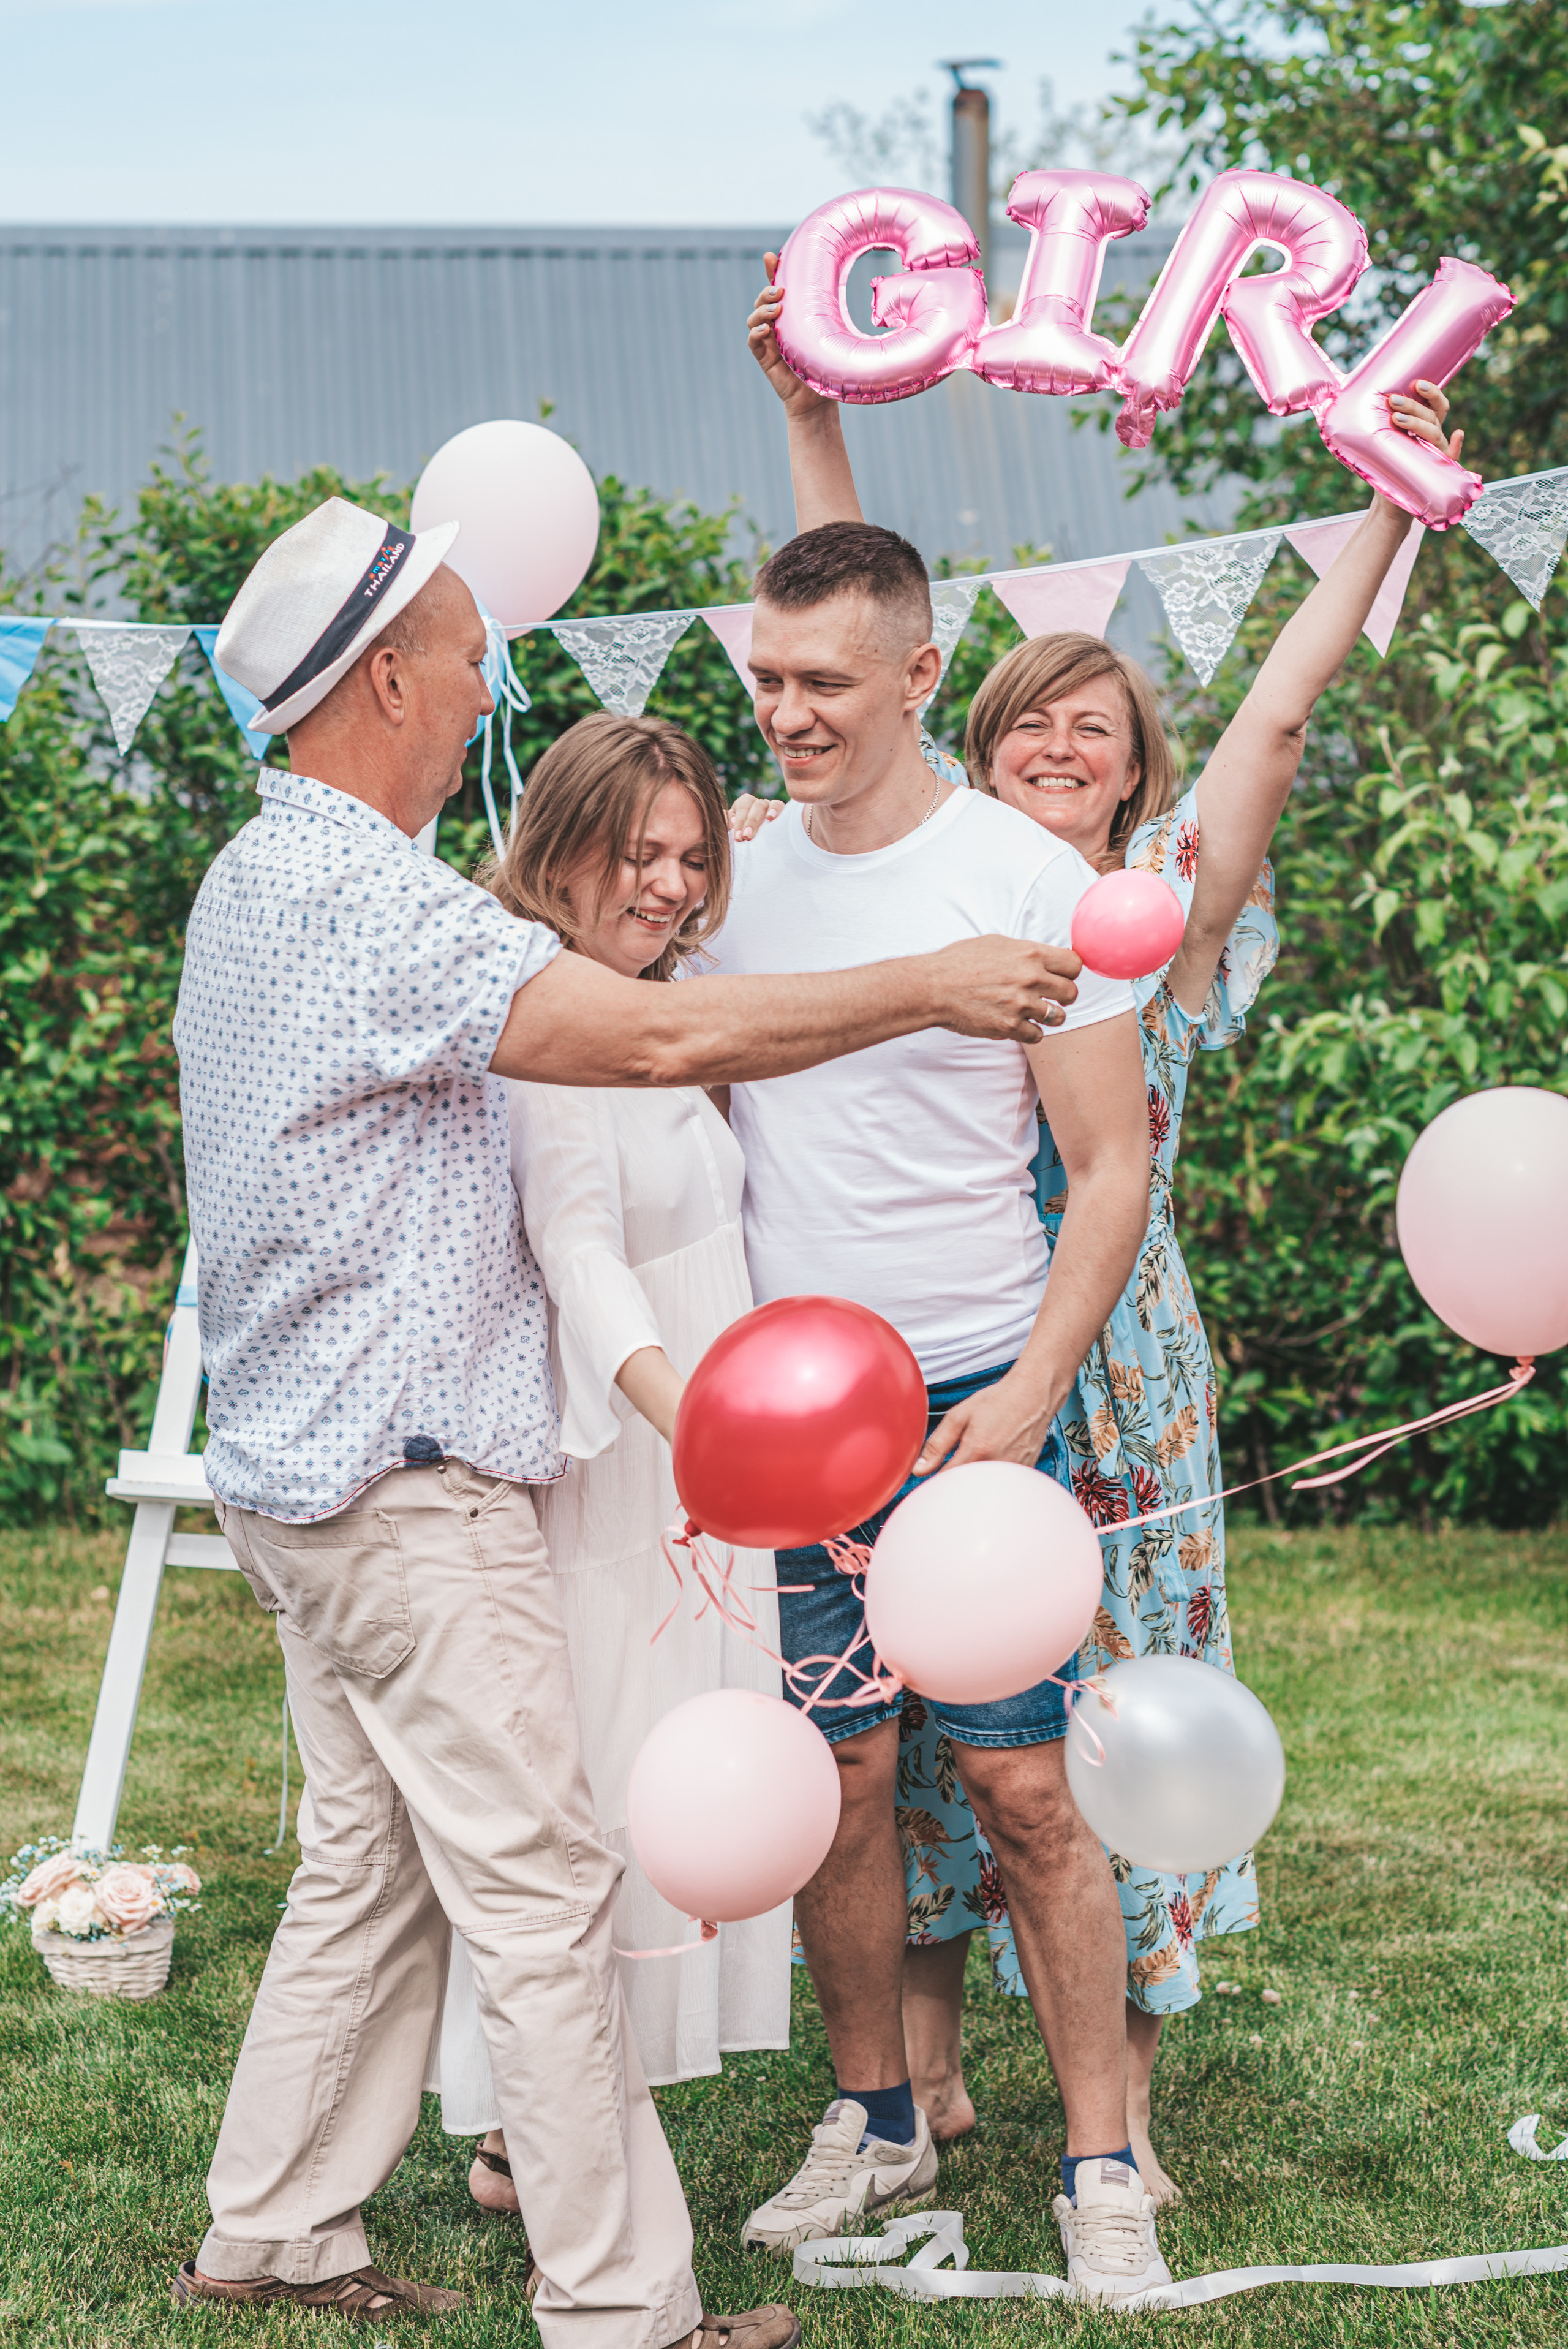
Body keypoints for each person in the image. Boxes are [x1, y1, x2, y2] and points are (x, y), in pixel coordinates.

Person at [168, 495, 1086, 2339]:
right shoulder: (367, 894)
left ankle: (274, 2226)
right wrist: (930, 981)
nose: (485, 687)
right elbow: (659, 1041)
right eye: (464, 655)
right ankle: (625, 2306)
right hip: (406, 1485)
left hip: (304, 1476)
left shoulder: (259, 873)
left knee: (371, 1869)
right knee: (542, 1886)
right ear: (391, 681)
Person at [742, 259, 1461, 2204]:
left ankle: (1112, 2108)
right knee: (909, 1744)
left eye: (1101, 725)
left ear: (1138, 766)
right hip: (915, 1327)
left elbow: (1284, 721)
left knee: (1086, 1734)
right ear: (971, 735)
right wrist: (818, 420)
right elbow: (847, 616)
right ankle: (918, 2090)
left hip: (1107, 1348)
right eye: (1031, 719)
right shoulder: (931, 874)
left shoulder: (1149, 898)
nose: (1066, 741)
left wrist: (1394, 503)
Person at [703, 512, 1173, 2310]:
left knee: (1027, 1787)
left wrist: (1033, 1391)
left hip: (979, 1392)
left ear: (916, 676)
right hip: (788, 1402)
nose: (790, 716)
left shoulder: (1028, 881)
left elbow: (1107, 1164)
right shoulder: (733, 876)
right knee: (839, 1777)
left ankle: (1100, 2158)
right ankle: (875, 2111)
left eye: (825, 683)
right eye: (766, 679)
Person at [432, 709, 790, 2214]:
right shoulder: (552, 1021)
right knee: (616, 1773)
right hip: (638, 1442)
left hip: (705, 1433)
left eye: (688, 854)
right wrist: (691, 1415)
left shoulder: (656, 988)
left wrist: (760, 831)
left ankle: (566, 2122)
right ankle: (535, 2122)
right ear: (557, 841)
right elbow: (575, 1250)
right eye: (633, 851)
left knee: (688, 1763)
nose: (667, 882)